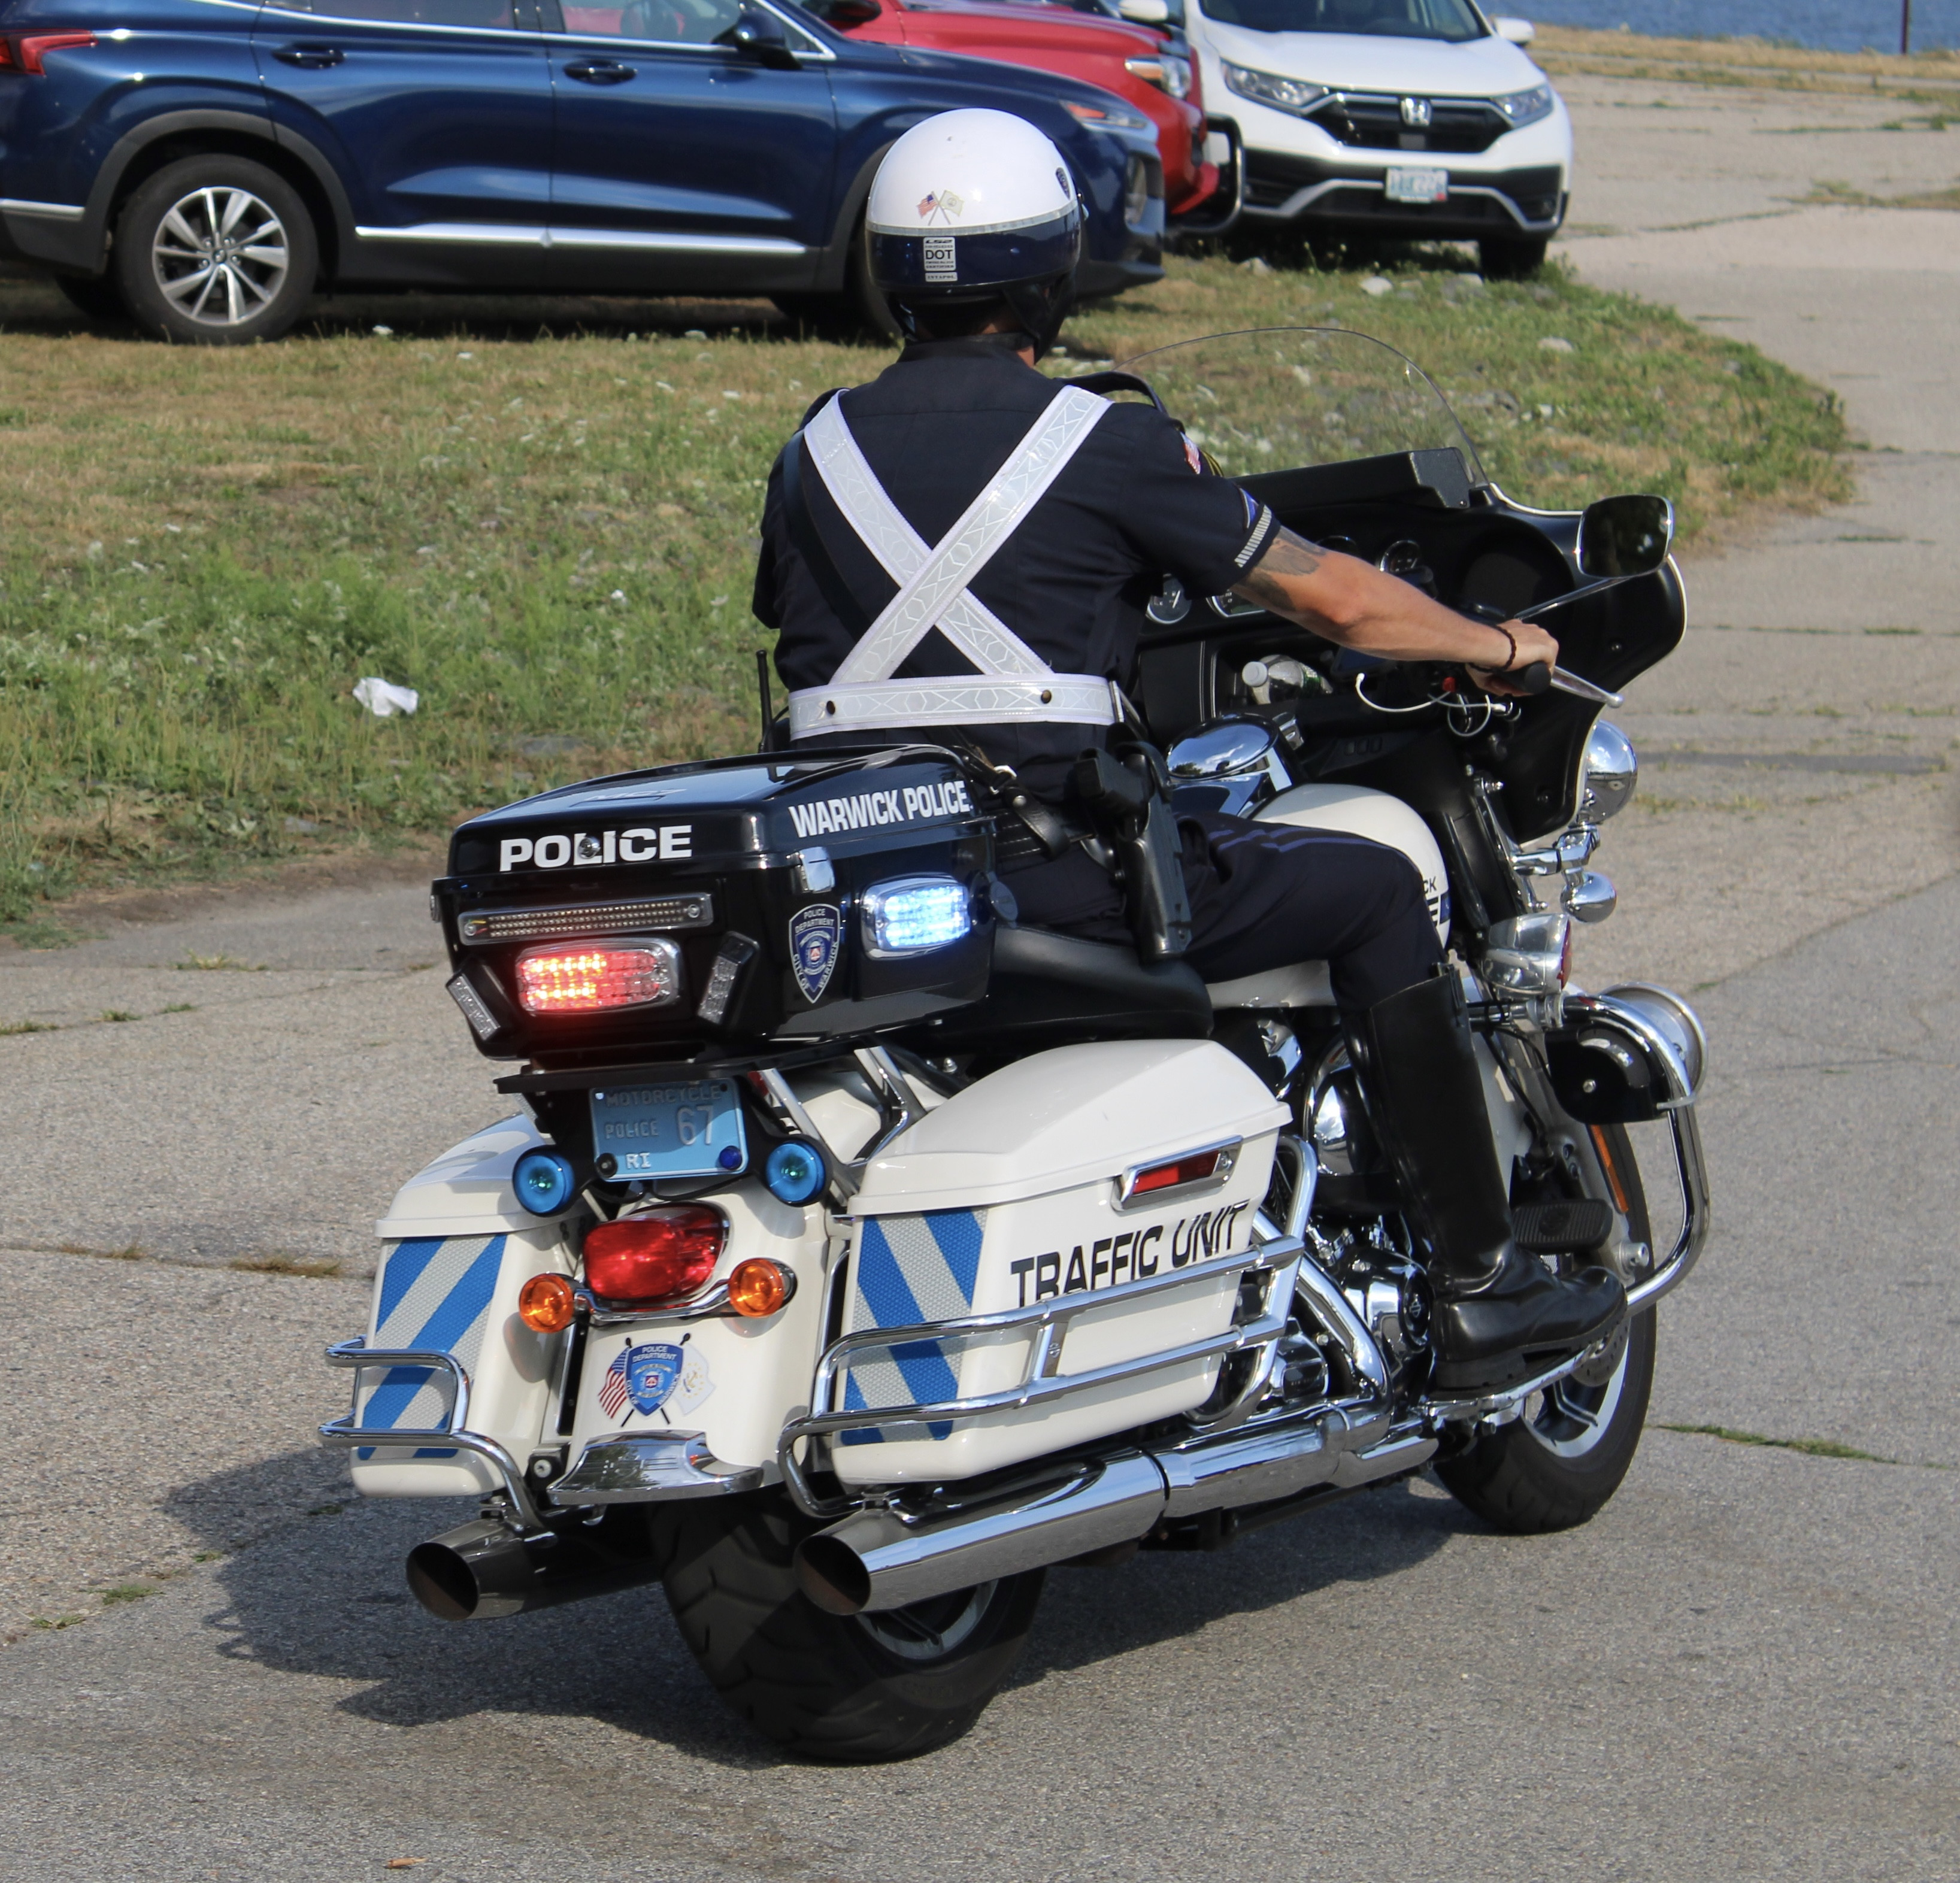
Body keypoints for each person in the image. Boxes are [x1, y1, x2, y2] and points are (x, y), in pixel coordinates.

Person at [751, 108, 1623, 1391]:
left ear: (889, 278)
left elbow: (802, 628)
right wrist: (1496, 648)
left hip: (859, 881)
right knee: (1375, 887)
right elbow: (1334, 599)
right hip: (1045, 873)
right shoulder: (1102, 442)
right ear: (1052, 271)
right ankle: (1475, 1284)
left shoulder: (809, 451)